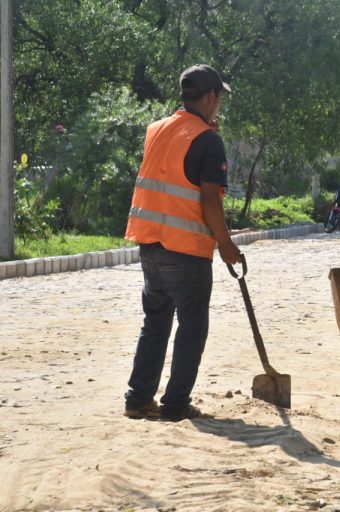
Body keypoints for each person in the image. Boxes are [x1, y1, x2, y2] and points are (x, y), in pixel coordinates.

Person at [123, 64, 241, 421]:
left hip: (150, 246)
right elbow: (208, 201)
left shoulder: (157, 130)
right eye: (219, 97)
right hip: (186, 250)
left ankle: (138, 399)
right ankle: (175, 405)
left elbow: (174, 168)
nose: (219, 104)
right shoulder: (208, 140)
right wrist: (226, 245)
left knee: (155, 323)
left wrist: (204, 132)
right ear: (209, 96)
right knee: (192, 327)